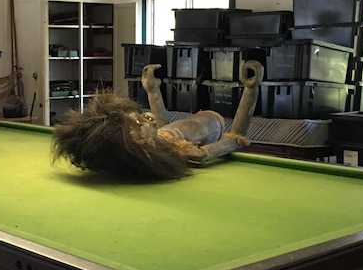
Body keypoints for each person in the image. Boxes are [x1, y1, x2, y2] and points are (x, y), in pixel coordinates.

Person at [52, 60, 263, 180]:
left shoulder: (157, 139)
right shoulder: (185, 150)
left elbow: (161, 126)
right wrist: (250, 91)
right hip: (212, 127)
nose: (146, 119)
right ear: (142, 145)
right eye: (139, 124)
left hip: (201, 124)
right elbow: (236, 137)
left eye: (137, 117)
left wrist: (152, 91)